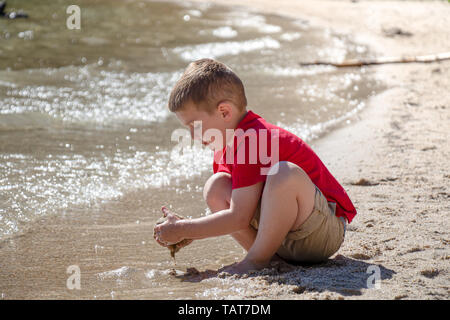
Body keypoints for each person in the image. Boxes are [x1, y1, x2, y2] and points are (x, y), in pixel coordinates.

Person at [154, 58, 356, 274]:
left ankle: (257, 260)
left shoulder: (253, 138)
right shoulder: (225, 148)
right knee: (216, 186)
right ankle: (268, 258)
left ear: (224, 112)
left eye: (194, 125)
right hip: (283, 238)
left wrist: (186, 229)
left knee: (283, 173)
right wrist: (186, 231)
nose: (192, 135)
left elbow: (239, 217)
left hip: (322, 232)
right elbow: (237, 209)